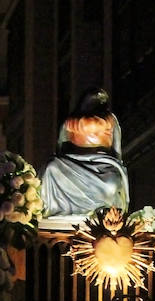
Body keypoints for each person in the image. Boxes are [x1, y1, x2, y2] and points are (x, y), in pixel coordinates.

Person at [40, 88, 130, 228]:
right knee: (52, 168)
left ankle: (103, 212)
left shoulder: (110, 120)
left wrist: (119, 168)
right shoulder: (70, 122)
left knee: (111, 185)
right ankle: (58, 210)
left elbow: (117, 150)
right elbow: (61, 146)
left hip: (102, 163)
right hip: (73, 161)